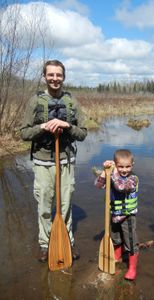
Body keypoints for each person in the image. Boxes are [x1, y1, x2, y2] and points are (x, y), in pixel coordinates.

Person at [20, 59, 87, 263]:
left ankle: (67, 241)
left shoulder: (71, 101)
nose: (55, 78)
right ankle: (45, 244)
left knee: (65, 205)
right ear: (45, 77)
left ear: (63, 77)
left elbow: (83, 133)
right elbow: (24, 133)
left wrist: (66, 125)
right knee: (45, 206)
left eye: (59, 75)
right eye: (51, 75)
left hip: (66, 160)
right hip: (42, 162)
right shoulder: (35, 101)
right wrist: (44, 127)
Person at [95, 149, 139, 280]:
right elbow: (98, 185)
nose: (124, 170)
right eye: (120, 166)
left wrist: (113, 172)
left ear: (132, 165)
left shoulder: (133, 179)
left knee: (130, 242)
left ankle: (132, 268)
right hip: (114, 214)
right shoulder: (112, 175)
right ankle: (117, 257)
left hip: (128, 216)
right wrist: (105, 172)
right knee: (115, 238)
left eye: (127, 166)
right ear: (115, 164)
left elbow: (121, 187)